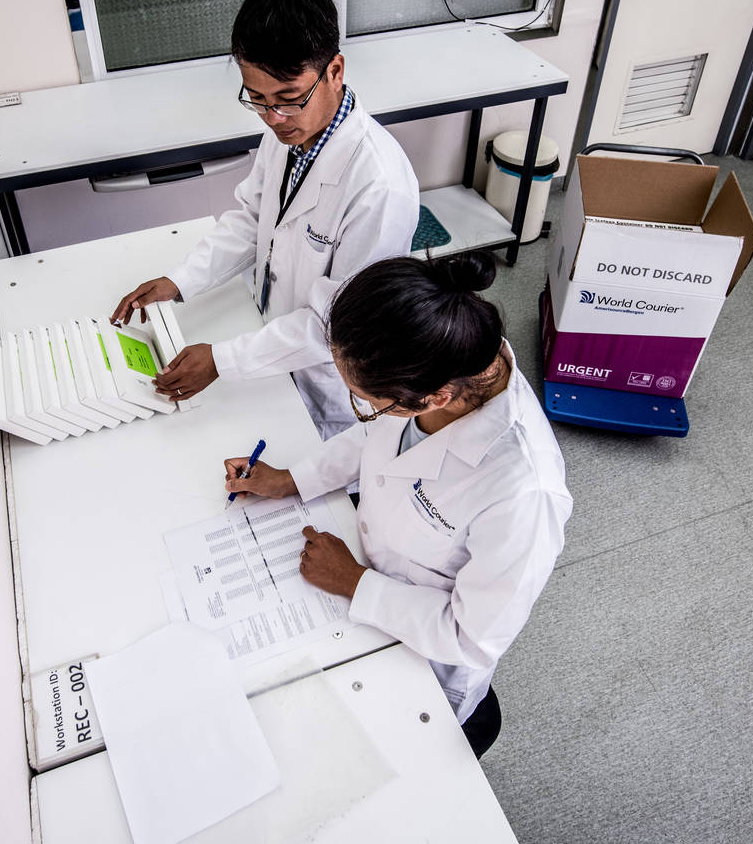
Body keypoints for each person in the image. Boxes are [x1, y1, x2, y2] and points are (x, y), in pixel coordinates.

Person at [221, 253, 571, 758]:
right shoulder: (445, 350)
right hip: (366, 587)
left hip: (424, 659)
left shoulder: (523, 492)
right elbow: (377, 436)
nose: (364, 409)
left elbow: (472, 637)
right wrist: (293, 479)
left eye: (365, 399)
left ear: (435, 398)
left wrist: (354, 581)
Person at [111, 0, 419, 438]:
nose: (272, 117)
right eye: (257, 99)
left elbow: (339, 323)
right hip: (268, 343)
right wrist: (182, 281)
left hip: (329, 385)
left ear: (334, 70)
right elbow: (253, 218)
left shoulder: (379, 187)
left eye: (289, 98)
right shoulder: (290, 132)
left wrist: (222, 360)